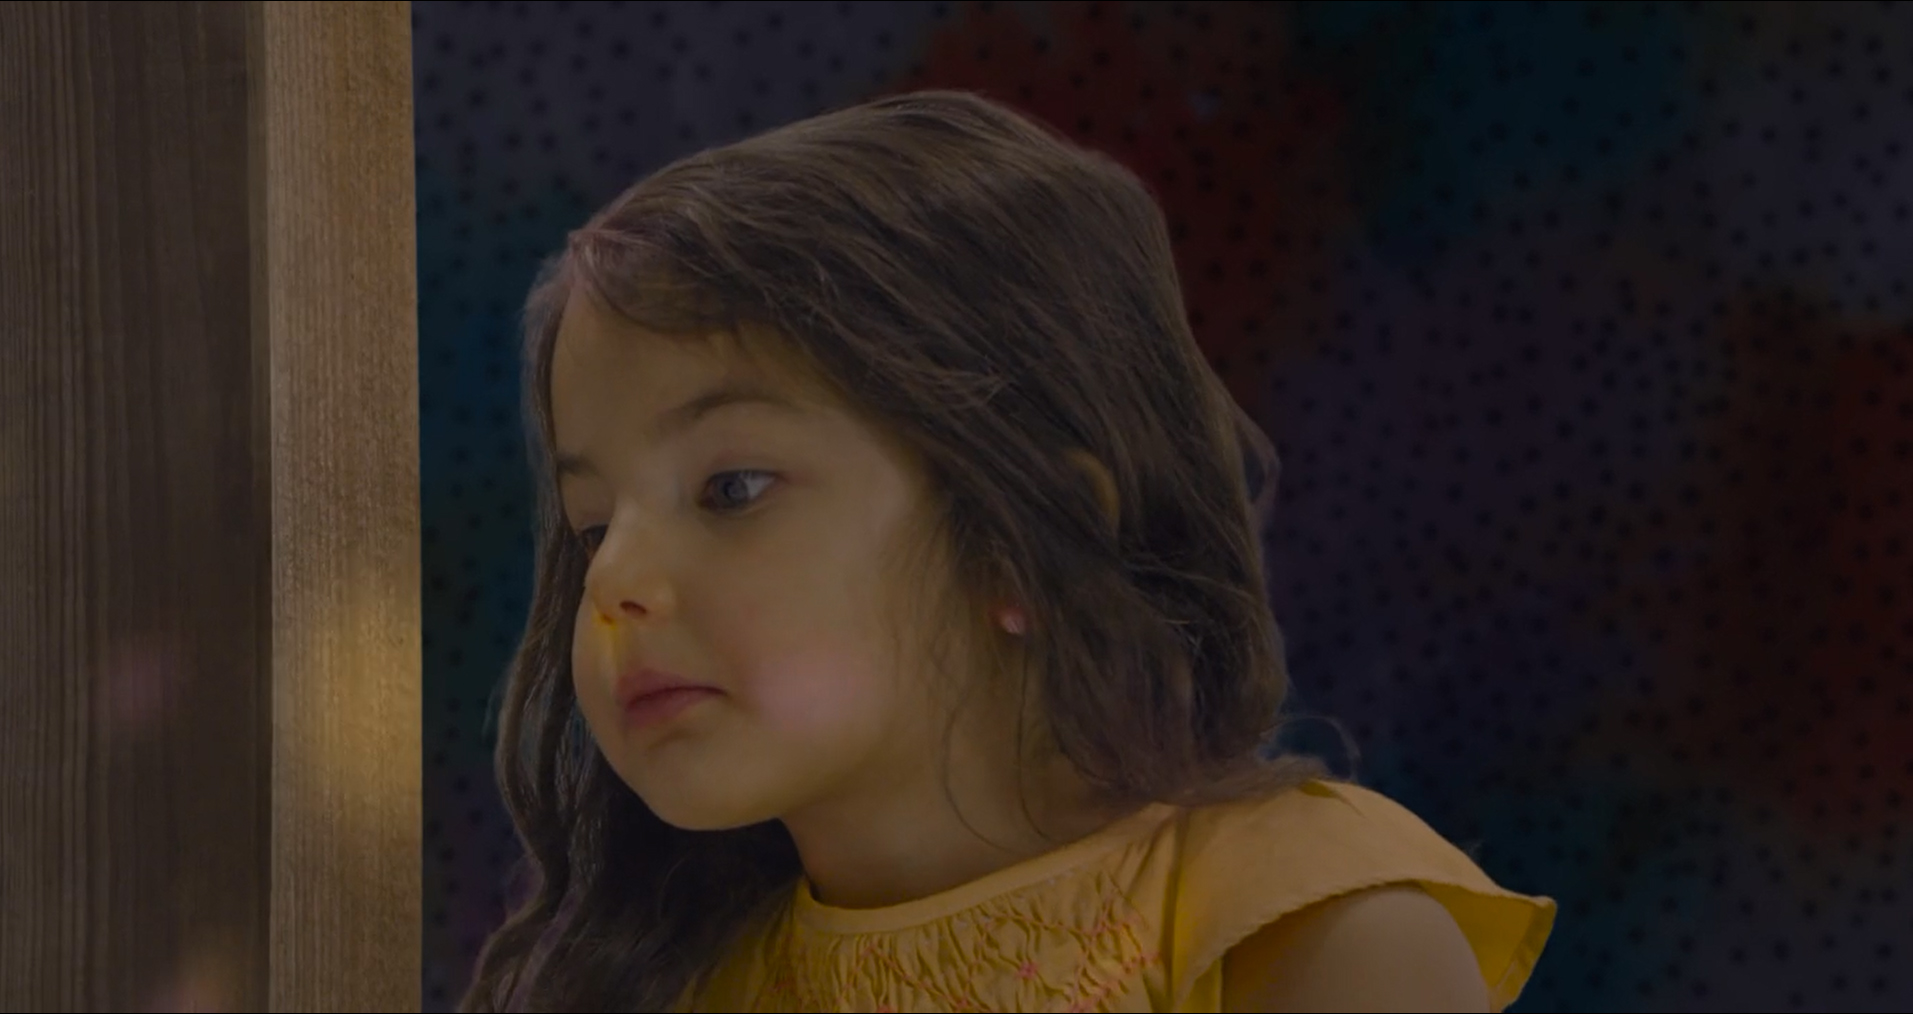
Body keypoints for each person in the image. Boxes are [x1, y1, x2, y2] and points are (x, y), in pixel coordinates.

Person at [461, 89, 1554, 1013]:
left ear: (1032, 540)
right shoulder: (697, 988)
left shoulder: (1306, 919)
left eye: (731, 489)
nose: (610, 583)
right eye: (593, 527)